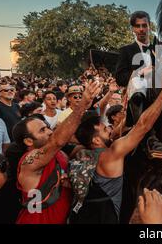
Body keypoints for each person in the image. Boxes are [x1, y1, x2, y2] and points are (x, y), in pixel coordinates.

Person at [67, 66, 162, 224]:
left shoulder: (80, 152)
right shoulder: (112, 154)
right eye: (105, 130)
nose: (109, 130)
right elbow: (143, 126)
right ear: (96, 141)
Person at [15, 81, 101, 224]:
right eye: (42, 130)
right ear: (29, 141)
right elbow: (57, 141)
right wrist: (82, 105)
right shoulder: (28, 161)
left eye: (47, 127)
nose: (49, 131)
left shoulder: (60, 154)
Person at [115, 11, 162, 159]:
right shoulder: (126, 50)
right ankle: (149, 137)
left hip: (161, 88)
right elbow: (120, 78)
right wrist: (140, 72)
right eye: (138, 26)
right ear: (133, 29)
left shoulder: (160, 47)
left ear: (149, 26)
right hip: (139, 95)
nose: (141, 29)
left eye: (144, 25)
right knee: (138, 83)